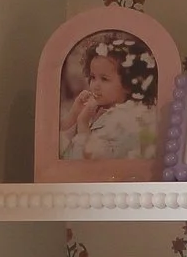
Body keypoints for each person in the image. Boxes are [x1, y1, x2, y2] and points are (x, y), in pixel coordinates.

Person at [59, 32, 157, 161]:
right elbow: (60, 149)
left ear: (128, 84)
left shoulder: (127, 121)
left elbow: (88, 163)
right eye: (93, 77)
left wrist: (83, 124)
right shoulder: (98, 110)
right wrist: (74, 114)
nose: (95, 85)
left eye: (104, 79)